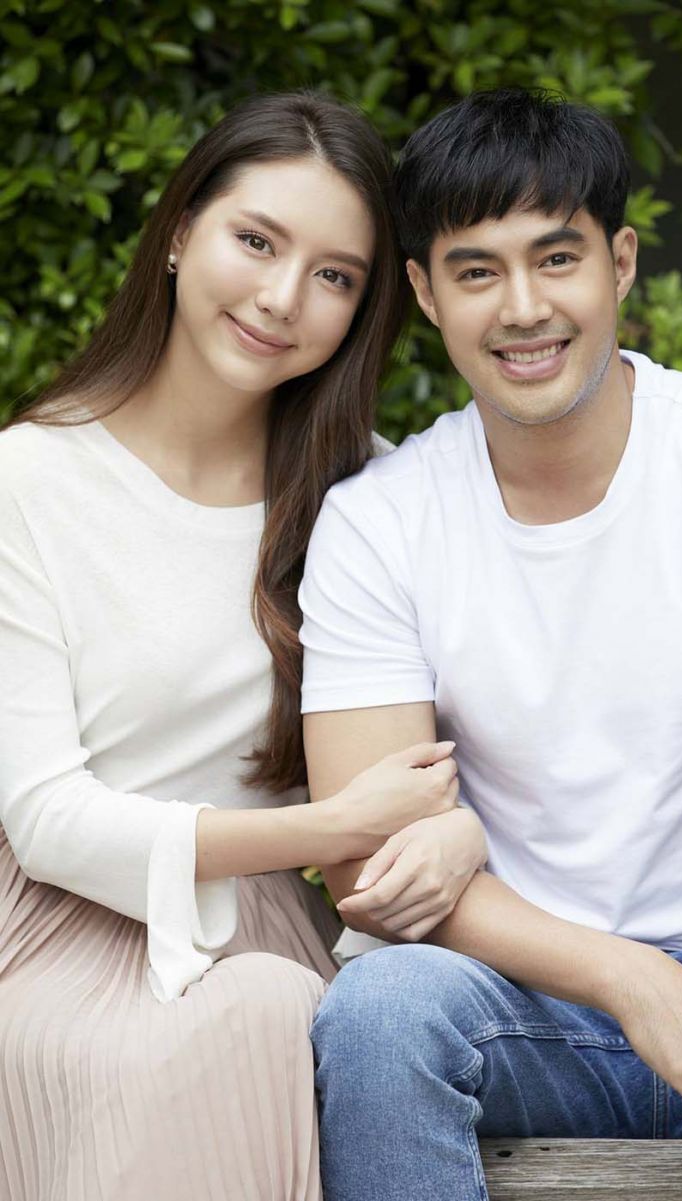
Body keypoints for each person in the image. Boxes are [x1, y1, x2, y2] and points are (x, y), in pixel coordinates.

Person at [299, 87, 682, 1201]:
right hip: (527, 1001)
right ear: (425, 292)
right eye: (476, 271)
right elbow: (369, 859)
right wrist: (632, 979)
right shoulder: (381, 521)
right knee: (381, 1013)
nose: (522, 308)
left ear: (619, 263)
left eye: (555, 257)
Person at [0, 90, 486, 1201]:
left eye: (334, 275)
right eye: (256, 241)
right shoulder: (27, 478)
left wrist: (457, 829)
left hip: (268, 940)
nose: (281, 297)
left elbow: (474, 743)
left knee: (276, 1008)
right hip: (55, 933)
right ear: (180, 233)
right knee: (258, 1015)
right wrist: (334, 826)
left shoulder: (372, 495)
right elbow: (44, 817)